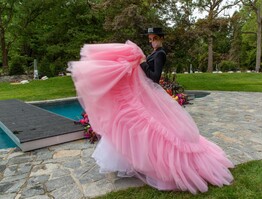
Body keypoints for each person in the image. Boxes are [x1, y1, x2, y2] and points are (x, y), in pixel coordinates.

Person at [68, 34, 234, 194]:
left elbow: (154, 77)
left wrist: (142, 63)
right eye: (150, 39)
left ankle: (154, 165)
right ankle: (132, 162)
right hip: (143, 94)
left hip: (151, 93)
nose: (152, 42)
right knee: (134, 125)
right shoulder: (154, 53)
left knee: (155, 128)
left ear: (161, 39)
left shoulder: (160, 54)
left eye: (155, 39)